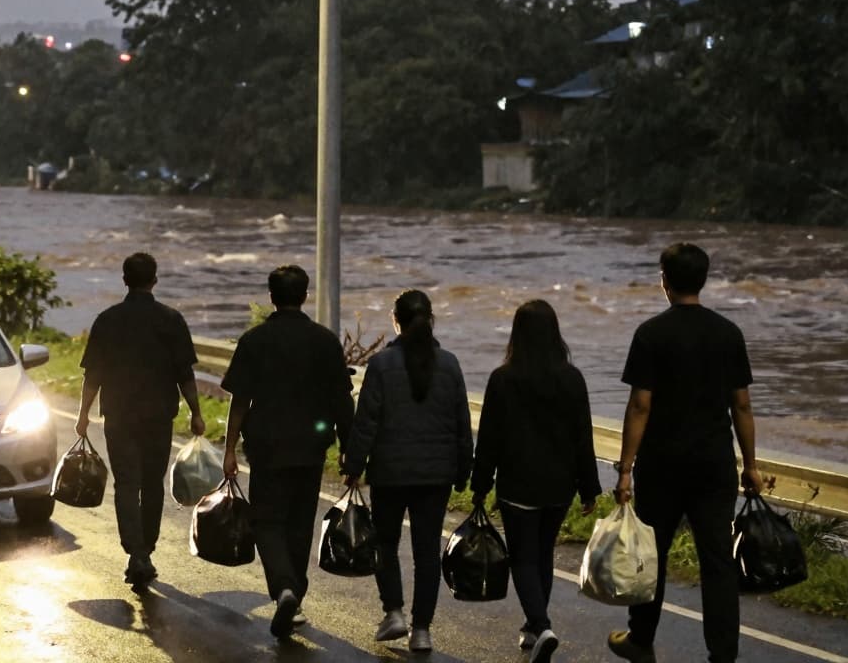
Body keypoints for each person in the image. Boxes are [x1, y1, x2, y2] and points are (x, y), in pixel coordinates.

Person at [608, 243, 763, 663]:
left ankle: (641, 640)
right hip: (714, 463)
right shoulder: (728, 333)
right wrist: (750, 465)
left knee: (651, 554)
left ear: (665, 280)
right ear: (703, 280)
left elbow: (640, 406)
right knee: (718, 562)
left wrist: (625, 471)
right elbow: (742, 406)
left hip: (662, 464)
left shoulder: (651, 334)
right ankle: (723, 655)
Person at [221, 265, 355, 640]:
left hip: (266, 448)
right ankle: (293, 594)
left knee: (267, 522)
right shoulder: (325, 341)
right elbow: (342, 401)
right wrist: (350, 451)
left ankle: (284, 590)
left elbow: (239, 401)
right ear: (305, 295)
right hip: (311, 448)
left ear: (271, 297)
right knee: (299, 525)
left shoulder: (255, 340)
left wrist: (229, 449)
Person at [343, 289, 473, 654]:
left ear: (395, 321)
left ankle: (394, 612)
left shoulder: (382, 365)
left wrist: (354, 465)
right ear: (431, 320)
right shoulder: (449, 364)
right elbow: (462, 424)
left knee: (385, 542)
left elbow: (366, 422)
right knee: (426, 551)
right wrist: (464, 470)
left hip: (390, 473)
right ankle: (422, 630)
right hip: (436, 476)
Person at [471, 299, 600, 663]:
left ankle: (541, 626)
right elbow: (583, 437)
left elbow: (489, 439)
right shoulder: (572, 378)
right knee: (542, 554)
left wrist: (480, 484)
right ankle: (533, 627)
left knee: (523, 558)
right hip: (560, 485)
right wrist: (589, 487)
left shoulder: (503, 379)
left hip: (518, 483)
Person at [76, 252, 205, 592]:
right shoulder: (171, 319)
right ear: (154, 280)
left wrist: (83, 414)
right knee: (152, 484)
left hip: (119, 415)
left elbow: (93, 375)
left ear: (124, 280)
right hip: (158, 416)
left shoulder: (108, 320)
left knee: (126, 484)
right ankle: (145, 549)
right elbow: (185, 374)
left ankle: (136, 552)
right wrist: (196, 412)